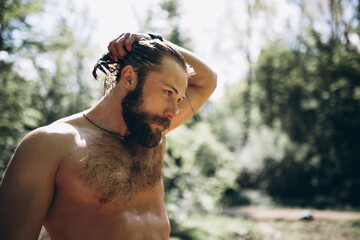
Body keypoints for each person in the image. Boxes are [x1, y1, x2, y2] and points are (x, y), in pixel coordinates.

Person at [0, 32, 217, 240]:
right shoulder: (48, 145)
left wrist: (151, 40)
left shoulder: (150, 133)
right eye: (168, 92)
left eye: (179, 99)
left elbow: (209, 80)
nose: (174, 111)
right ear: (130, 77)